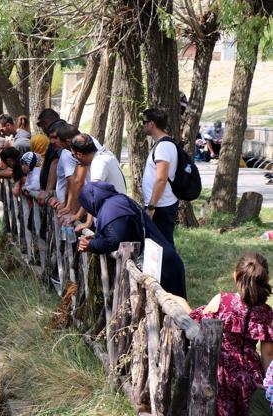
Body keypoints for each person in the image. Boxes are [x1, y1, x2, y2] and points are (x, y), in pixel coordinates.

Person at [171, 253, 273, 416]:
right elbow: (267, 353)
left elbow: (199, 326)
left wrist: (180, 301)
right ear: (265, 280)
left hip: (221, 370)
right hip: (250, 375)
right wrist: (267, 384)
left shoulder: (222, 300)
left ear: (235, 275)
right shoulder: (267, 313)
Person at [77, 181, 187, 298]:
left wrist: (92, 244)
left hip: (161, 266)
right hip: (161, 261)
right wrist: (96, 238)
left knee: (172, 308)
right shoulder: (117, 202)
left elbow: (115, 239)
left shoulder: (113, 208)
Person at [142, 108, 179, 247]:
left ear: (152, 124)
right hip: (159, 203)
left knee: (163, 243)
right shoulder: (163, 144)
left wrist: (151, 207)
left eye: (144, 122)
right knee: (157, 244)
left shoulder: (163, 146)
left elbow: (161, 179)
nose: (143, 125)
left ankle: (172, 268)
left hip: (160, 205)